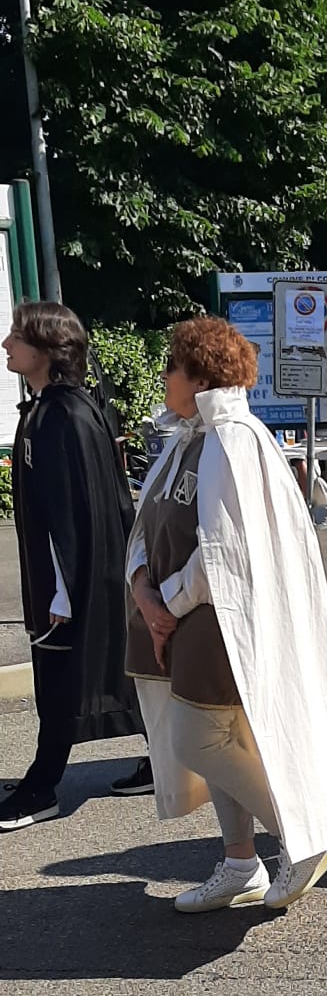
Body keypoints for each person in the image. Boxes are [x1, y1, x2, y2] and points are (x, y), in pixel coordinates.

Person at [126, 317, 327, 911]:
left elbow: (224, 555)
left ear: (199, 374)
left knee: (196, 738)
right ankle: (240, 862)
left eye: (171, 367)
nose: (162, 377)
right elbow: (144, 525)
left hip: (219, 619)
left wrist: (166, 607)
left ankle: (302, 834)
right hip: (188, 616)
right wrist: (142, 592)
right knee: (226, 737)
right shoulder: (190, 437)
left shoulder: (232, 439)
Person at [1, 302, 140, 831]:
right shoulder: (45, 408)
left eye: (17, 336)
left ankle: (43, 787)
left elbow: (75, 511)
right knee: (106, 669)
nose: (7, 344)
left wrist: (64, 592)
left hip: (73, 579)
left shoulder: (66, 414)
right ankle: (168, 757)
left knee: (66, 675)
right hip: (58, 576)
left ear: (46, 350)